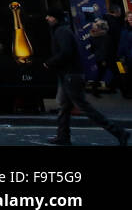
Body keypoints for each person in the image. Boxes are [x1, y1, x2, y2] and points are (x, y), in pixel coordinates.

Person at [44, 9, 128, 145]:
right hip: (68, 74)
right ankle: (63, 135)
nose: (47, 18)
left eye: (50, 16)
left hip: (71, 75)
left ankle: (119, 131)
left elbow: (66, 52)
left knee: (84, 107)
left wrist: (49, 63)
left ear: (56, 18)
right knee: (64, 107)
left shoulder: (62, 32)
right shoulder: (62, 31)